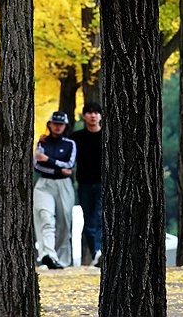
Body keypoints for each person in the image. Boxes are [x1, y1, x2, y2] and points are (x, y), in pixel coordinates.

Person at [33, 110, 76, 269]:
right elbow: (38, 166)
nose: (58, 127)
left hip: (63, 185)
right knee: (45, 217)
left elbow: (69, 165)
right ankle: (48, 255)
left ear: (65, 126)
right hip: (45, 185)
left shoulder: (70, 144)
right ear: (49, 125)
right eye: (55, 124)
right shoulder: (42, 142)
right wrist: (57, 168)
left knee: (64, 221)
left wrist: (49, 160)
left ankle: (61, 257)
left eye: (61, 124)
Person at [69, 101, 103, 267]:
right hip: (84, 184)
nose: (93, 115)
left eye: (96, 112)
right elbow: (67, 155)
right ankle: (96, 253)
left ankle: (98, 252)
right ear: (84, 116)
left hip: (103, 184)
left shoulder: (107, 136)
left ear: (100, 116)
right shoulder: (77, 137)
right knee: (88, 220)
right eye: (89, 112)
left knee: (98, 217)